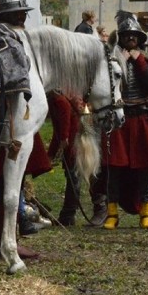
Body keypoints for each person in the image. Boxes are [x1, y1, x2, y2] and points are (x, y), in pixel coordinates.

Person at [0, 0, 53, 258]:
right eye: (16, 17)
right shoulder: (0, 46)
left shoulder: (20, 45)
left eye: (21, 16)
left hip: (14, 127)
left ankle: (7, 237)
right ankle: (0, 240)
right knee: (2, 186)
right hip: (1, 128)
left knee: (11, 185)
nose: (20, 21)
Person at [103, 13, 148, 230]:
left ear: (140, 38)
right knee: (114, 168)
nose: (130, 38)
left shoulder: (147, 61)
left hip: (141, 118)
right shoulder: (110, 61)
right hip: (118, 119)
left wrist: (138, 60)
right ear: (120, 37)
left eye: (134, 35)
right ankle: (112, 213)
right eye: (127, 35)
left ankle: (146, 212)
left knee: (144, 168)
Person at [47, 90, 108, 227]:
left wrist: (63, 138)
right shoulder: (57, 95)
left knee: (85, 174)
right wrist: (51, 153)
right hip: (78, 137)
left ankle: (99, 209)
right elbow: (58, 129)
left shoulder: (58, 97)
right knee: (74, 177)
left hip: (80, 138)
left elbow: (64, 115)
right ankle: (69, 215)